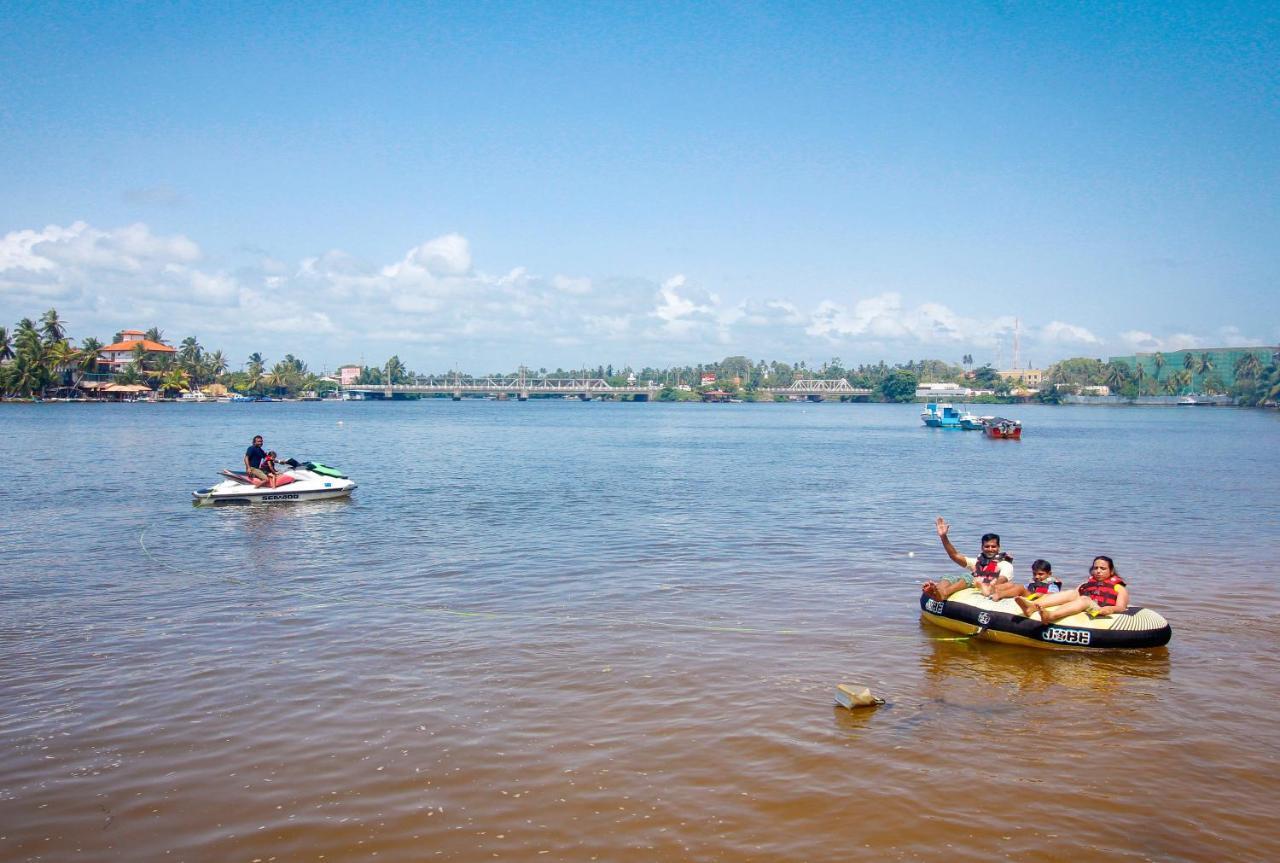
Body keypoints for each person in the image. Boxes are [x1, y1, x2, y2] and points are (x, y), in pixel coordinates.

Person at [922, 517, 1014, 601]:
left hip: (986, 586)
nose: (990, 549)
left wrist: (985, 583)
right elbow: (954, 555)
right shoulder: (979, 561)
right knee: (948, 577)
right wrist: (943, 537)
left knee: (969, 577)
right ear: (982, 548)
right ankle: (936, 591)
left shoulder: (1005, 564)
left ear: (999, 547)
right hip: (975, 582)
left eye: (993, 546)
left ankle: (942, 594)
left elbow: (1002, 579)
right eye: (987, 546)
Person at [1015, 556, 1128, 624]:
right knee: (1072, 592)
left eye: (1103, 568)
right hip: (1084, 607)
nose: (1098, 571)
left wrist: (1110, 609)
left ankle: (1051, 616)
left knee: (1084, 599)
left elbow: (1121, 607)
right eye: (1095, 568)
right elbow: (1073, 597)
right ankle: (1032, 606)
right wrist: (1045, 596)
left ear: (1111, 571)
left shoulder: (1118, 587)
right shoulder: (1086, 584)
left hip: (1099, 609)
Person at [989, 559, 1061, 602]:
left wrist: (1040, 594)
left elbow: (1054, 595)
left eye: (1040, 574)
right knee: (1012, 584)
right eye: (1034, 574)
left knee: (1020, 588)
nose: (1036, 576)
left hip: (1037, 598)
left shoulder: (1052, 585)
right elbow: (1026, 587)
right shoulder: (1035, 582)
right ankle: (993, 589)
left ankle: (999, 595)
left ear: (1049, 574)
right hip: (1031, 595)